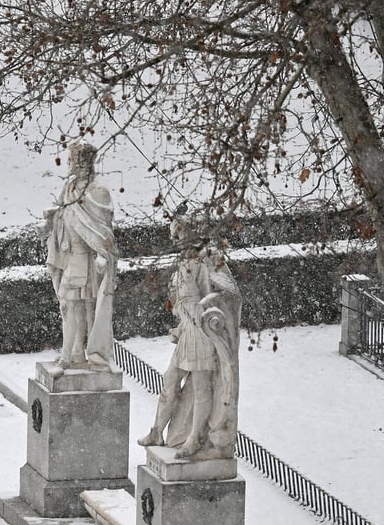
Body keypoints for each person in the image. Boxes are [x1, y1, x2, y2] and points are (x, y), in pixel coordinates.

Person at [138, 212, 241, 459]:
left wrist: (207, 311)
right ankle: (156, 431)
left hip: (203, 332)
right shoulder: (184, 261)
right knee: (170, 379)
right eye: (173, 234)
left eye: (179, 233)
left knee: (202, 387)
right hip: (187, 330)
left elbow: (229, 294)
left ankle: (195, 439)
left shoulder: (208, 259)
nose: (175, 238)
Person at [41, 142, 117, 371]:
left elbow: (103, 231)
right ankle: (72, 354)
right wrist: (50, 220)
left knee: (89, 310)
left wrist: (102, 255)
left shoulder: (98, 192)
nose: (69, 164)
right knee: (69, 307)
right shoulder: (69, 188)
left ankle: (91, 355)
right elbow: (62, 213)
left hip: (88, 260)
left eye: (72, 160)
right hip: (70, 257)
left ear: (83, 164)